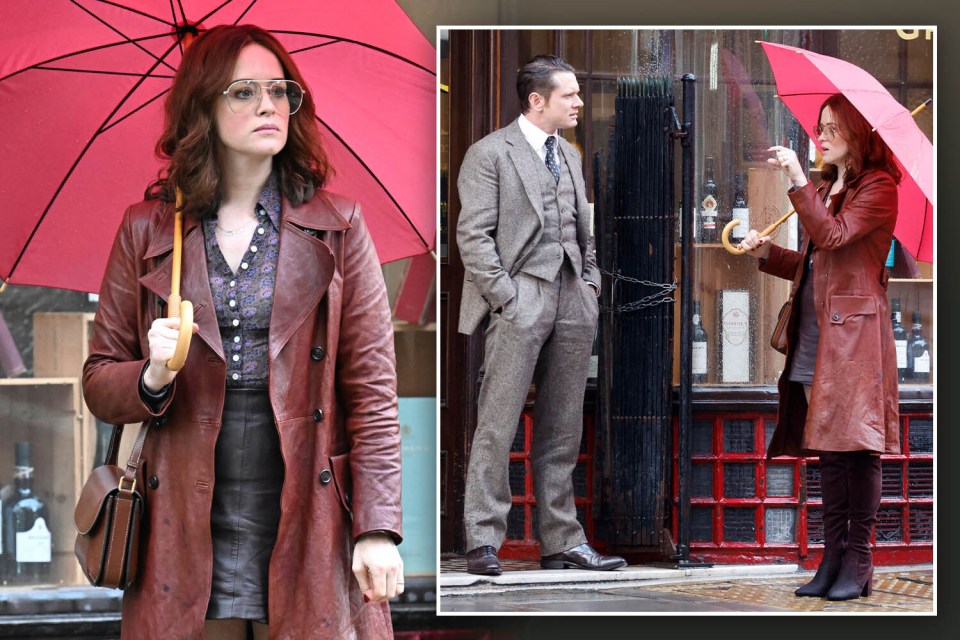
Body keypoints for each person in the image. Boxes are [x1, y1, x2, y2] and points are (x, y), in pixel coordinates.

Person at [83, 25, 403, 639]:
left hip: (306, 493)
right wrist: (151, 375)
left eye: (281, 91)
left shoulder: (338, 226)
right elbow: (99, 381)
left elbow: (372, 392)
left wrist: (377, 525)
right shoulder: (148, 231)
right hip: (184, 502)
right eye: (244, 91)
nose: (268, 105)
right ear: (202, 106)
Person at [456, 55, 626, 575]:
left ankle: (561, 541)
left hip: (573, 294)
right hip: (521, 295)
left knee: (563, 428)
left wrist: (590, 282)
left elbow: (582, 226)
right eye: (569, 95)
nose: (579, 103)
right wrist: (506, 295)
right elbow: (473, 235)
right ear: (537, 101)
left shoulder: (569, 155)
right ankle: (483, 541)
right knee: (497, 423)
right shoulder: (489, 154)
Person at [739, 93, 901, 601]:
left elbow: (833, 238)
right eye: (819, 126)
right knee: (830, 451)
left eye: (832, 127)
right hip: (817, 334)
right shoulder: (833, 187)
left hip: (854, 337)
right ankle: (832, 557)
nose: (821, 136)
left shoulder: (879, 188)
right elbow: (814, 261)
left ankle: (859, 558)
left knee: (858, 449)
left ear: (859, 132)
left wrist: (796, 180)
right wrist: (766, 251)